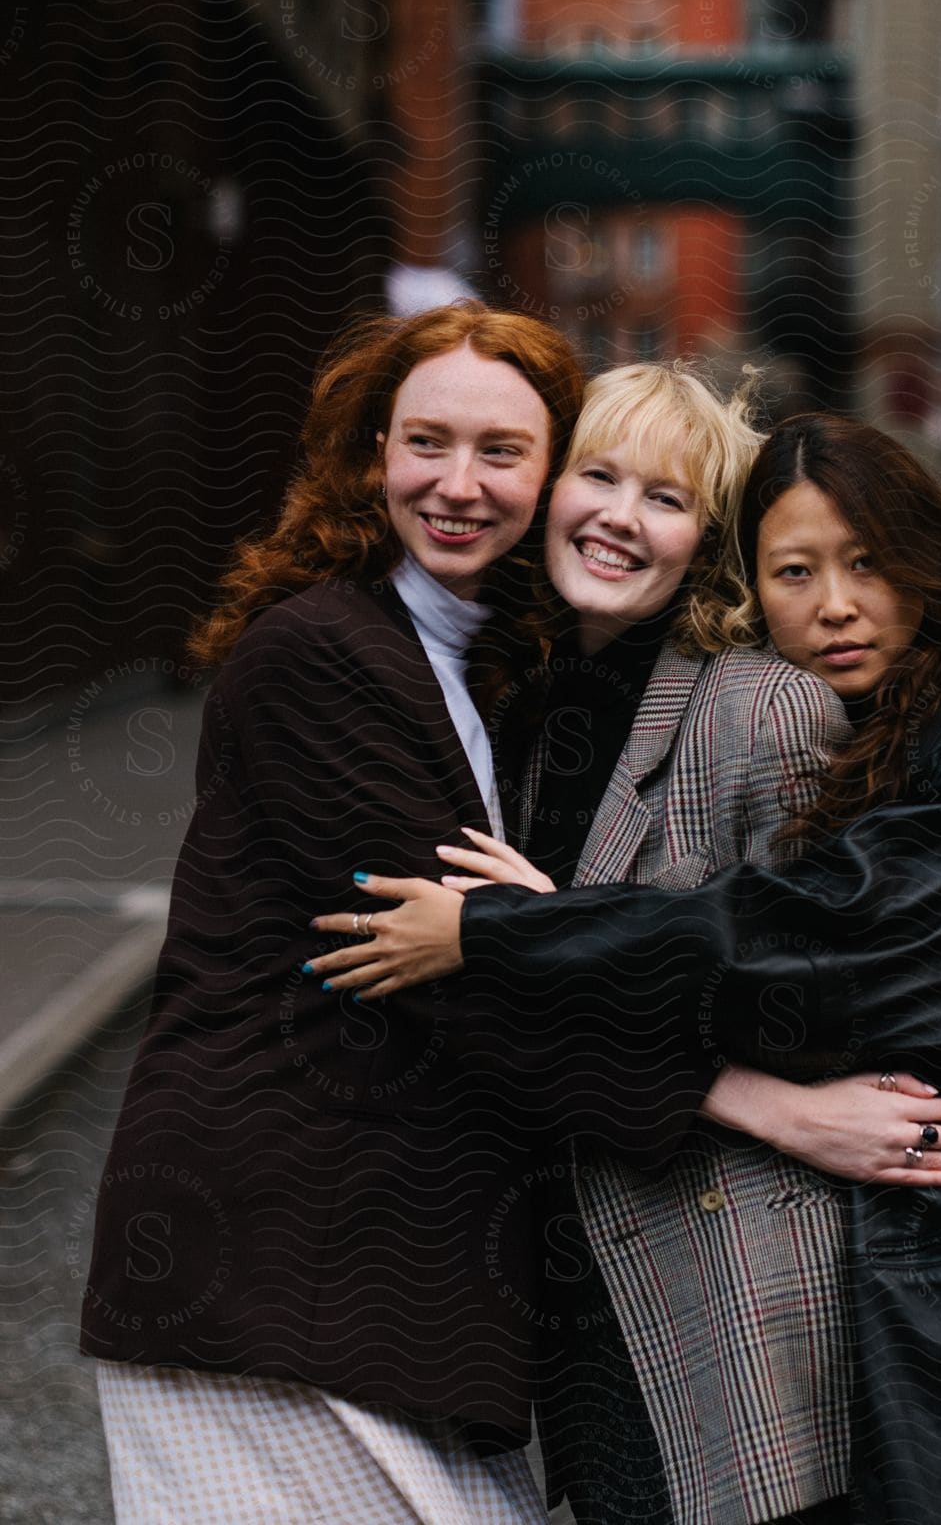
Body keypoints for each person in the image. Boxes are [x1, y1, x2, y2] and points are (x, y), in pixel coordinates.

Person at [318, 414, 941, 1524]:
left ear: (930, 559)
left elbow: (801, 936)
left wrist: (504, 931)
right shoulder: (871, 721)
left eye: (869, 562)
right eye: (795, 570)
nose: (836, 603)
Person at [309, 376, 941, 1525]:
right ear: (552, 491)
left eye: (667, 497)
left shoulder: (760, 706)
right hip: (575, 1258)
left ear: (705, 542)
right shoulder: (512, 711)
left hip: (721, 1273)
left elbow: (813, 999)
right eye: (599, 475)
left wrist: (544, 932)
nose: (622, 515)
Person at [80, 302, 589, 1523]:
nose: (458, 484)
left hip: (377, 1278)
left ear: (558, 472)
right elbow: (477, 976)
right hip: (272, 1259)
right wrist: (774, 1105)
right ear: (371, 454)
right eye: (427, 442)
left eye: (503, 451)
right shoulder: (319, 656)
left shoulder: (497, 665)